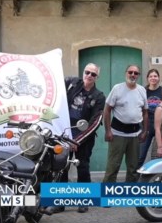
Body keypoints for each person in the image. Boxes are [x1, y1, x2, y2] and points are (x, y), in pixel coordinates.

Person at [46, 63, 105, 214]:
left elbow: (95, 122)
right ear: (83, 72)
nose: (89, 76)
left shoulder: (99, 96)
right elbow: (54, 83)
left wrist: (77, 140)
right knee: (61, 167)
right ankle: (59, 203)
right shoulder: (72, 83)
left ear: (97, 77)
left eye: (93, 74)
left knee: (83, 168)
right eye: (87, 72)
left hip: (83, 138)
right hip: (64, 133)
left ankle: (83, 201)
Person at [103, 65, 148, 183]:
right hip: (117, 134)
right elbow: (107, 110)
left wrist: (144, 131)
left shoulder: (142, 90)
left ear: (138, 76)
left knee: (133, 169)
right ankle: (106, 195)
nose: (133, 75)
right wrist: (108, 131)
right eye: (130, 72)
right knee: (113, 167)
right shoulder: (117, 88)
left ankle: (129, 195)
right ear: (126, 73)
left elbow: (145, 112)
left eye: (136, 73)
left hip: (135, 135)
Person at [138, 69, 162, 167]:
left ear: (159, 78)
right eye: (151, 76)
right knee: (140, 155)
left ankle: (155, 179)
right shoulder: (142, 91)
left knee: (157, 156)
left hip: (160, 126)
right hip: (145, 126)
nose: (153, 78)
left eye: (155, 76)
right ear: (147, 78)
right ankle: (135, 179)